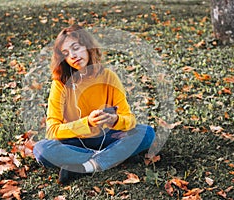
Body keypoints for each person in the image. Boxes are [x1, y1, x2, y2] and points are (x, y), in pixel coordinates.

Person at [33, 24, 156, 184]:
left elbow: (130, 120)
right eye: (66, 53)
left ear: (88, 46)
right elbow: (52, 131)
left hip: (108, 136)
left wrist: (115, 120)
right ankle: (111, 157)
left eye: (76, 48)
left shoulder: (108, 77)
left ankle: (87, 165)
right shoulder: (60, 84)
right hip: (75, 142)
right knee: (41, 150)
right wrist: (87, 123)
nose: (73, 56)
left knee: (146, 133)